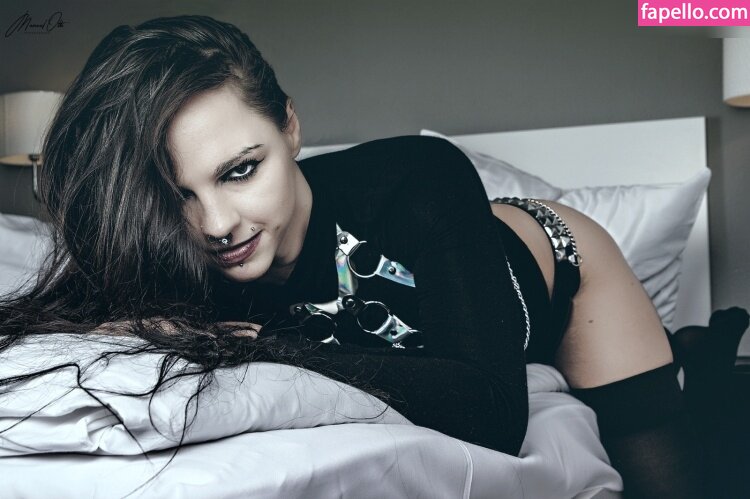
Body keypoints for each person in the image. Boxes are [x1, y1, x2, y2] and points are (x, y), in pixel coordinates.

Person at [0, 15, 706, 498]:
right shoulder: (159, 249)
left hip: (559, 272)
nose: (215, 225)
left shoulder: (419, 176)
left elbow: (494, 417)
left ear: (290, 127)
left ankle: (699, 356)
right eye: (176, 195)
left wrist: (254, 347)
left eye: (241, 170)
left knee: (665, 481)